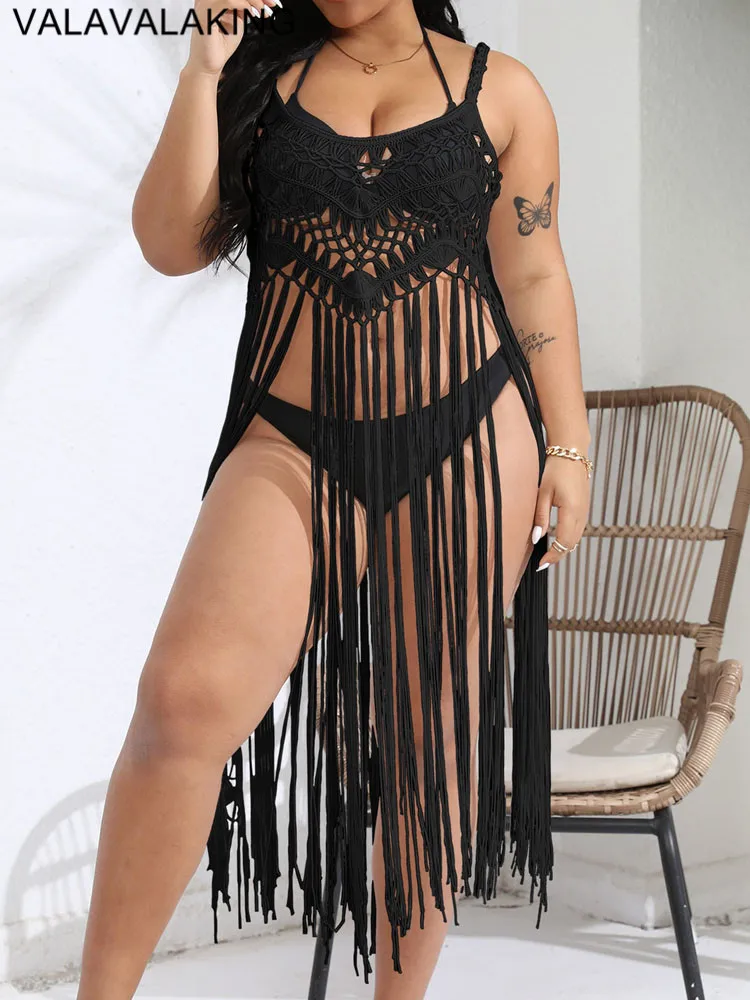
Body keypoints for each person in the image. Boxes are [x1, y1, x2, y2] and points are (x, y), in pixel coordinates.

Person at [76, 1, 592, 997]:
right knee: (183, 701)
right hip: (293, 442)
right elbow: (170, 243)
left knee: (429, 739)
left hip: (469, 433)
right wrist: (204, 65)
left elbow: (532, 269)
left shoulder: (504, 91)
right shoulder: (261, 80)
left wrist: (567, 443)